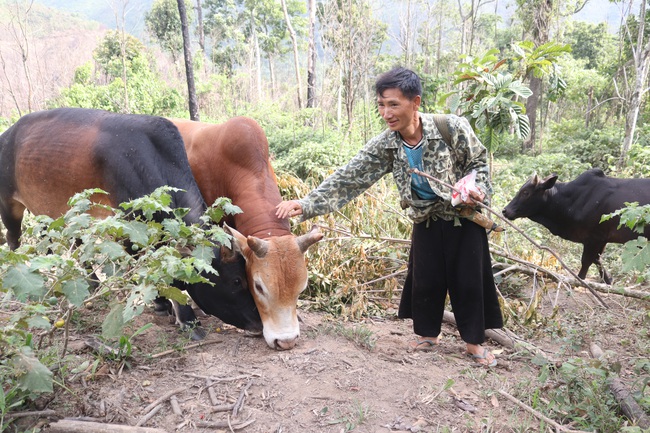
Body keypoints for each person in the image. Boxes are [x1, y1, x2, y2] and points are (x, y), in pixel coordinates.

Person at [275, 66, 503, 367]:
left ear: (415, 103)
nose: (386, 112)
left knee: (469, 281)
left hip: (463, 218)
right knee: (426, 279)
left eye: (393, 104)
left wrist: (478, 190)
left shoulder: (452, 127)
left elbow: (478, 162)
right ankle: (427, 335)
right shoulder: (388, 143)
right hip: (426, 219)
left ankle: (474, 344)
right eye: (381, 105)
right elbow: (351, 176)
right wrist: (307, 204)